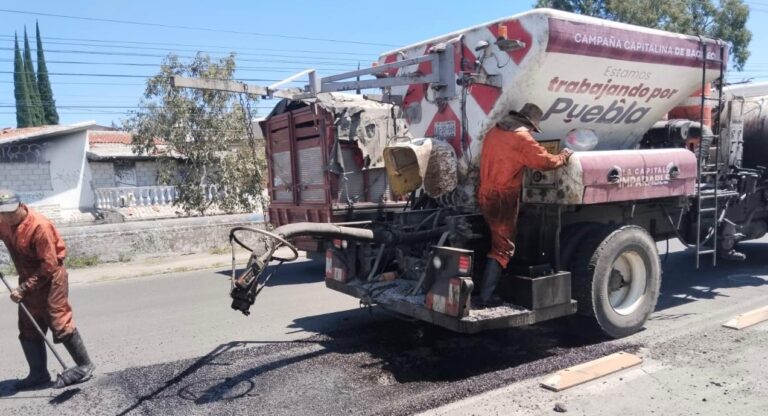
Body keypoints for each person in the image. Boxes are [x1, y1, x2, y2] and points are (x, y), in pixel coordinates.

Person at [476, 103, 573, 306]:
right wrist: (563, 156)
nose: (532, 132)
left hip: (485, 192)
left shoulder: (495, 131)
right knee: (503, 247)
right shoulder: (522, 138)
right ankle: (486, 297)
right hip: (503, 198)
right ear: (530, 125)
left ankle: (487, 288)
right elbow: (544, 162)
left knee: (494, 240)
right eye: (533, 129)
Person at [0, 189, 94, 390]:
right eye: (2, 213)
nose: (6, 217)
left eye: (9, 212)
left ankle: (85, 365)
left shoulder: (39, 226)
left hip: (51, 278)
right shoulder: (3, 222)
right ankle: (38, 374)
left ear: (20, 206)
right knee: (28, 326)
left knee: (58, 321)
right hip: (27, 277)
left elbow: (49, 264)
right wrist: (25, 286)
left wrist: (24, 288)